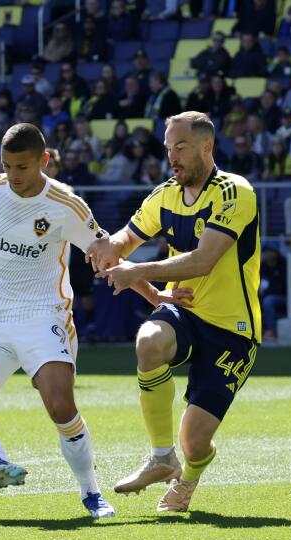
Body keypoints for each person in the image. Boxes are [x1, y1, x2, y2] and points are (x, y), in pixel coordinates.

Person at [0, 123, 130, 519]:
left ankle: (91, 492)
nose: (13, 176)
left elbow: (106, 253)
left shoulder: (67, 205)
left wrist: (151, 291)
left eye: (21, 167)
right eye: (7, 166)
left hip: (44, 318)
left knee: (60, 406)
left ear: (44, 160)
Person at [87, 111, 261, 512]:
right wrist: (102, 245)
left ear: (206, 146)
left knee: (196, 441)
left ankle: (187, 479)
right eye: (168, 148)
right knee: (148, 340)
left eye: (180, 147)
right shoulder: (163, 195)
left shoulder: (235, 192)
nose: (173, 157)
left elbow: (203, 261)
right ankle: (162, 457)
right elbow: (124, 241)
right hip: (184, 312)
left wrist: (137, 272)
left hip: (232, 330)